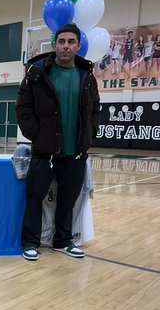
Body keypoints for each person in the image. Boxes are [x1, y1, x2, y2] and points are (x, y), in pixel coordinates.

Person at [16, 22, 99, 262]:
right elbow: (22, 108)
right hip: (44, 152)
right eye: (61, 41)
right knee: (34, 198)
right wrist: (37, 135)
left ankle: (63, 241)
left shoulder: (86, 76)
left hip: (75, 152)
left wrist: (90, 132)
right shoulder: (37, 73)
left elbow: (95, 109)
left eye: (71, 42)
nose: (65, 46)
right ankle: (30, 242)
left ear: (78, 46)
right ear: (54, 45)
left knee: (67, 200)